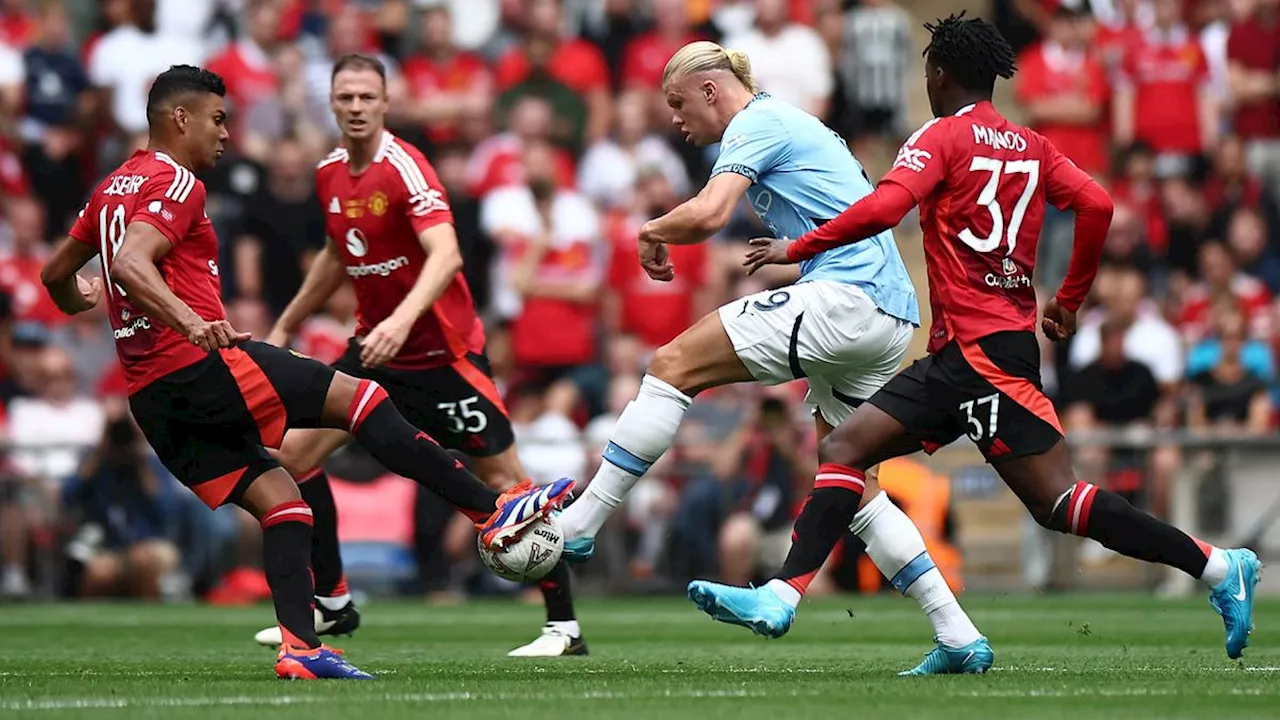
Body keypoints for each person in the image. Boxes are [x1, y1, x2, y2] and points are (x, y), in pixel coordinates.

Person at [696, 13, 1261, 665]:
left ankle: (1219, 567)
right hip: (976, 352)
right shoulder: (1032, 144)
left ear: (937, 74)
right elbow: (1098, 204)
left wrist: (801, 244)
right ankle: (798, 600)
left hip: (982, 358)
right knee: (848, 447)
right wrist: (1069, 301)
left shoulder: (940, 136)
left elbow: (885, 208)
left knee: (1056, 500)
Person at [38, 65, 572, 680]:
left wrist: (79, 298)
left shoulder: (109, 187)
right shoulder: (177, 180)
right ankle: (490, 512)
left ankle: (301, 648)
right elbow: (133, 263)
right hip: (202, 365)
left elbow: (57, 274)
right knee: (364, 399)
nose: (226, 134)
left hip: (154, 399)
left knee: (283, 501)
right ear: (179, 119)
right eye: (217, 119)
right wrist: (189, 321)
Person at [555, 40, 991, 675]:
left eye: (678, 104)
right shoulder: (792, 125)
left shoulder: (757, 123)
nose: (676, 121)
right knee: (855, 482)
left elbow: (708, 215)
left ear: (711, 90)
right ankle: (957, 634)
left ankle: (582, 523)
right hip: (889, 313)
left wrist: (649, 231)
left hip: (847, 299)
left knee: (672, 366)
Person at [250, 53, 588, 658]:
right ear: (331, 102)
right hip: (375, 351)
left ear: (385, 103)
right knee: (295, 454)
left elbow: (447, 254)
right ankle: (331, 603)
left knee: (508, 486)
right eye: (345, 97)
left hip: (440, 354)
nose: (355, 107)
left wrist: (401, 321)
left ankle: (564, 627)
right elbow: (335, 255)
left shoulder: (405, 167)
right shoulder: (329, 172)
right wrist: (284, 324)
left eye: (366, 97)